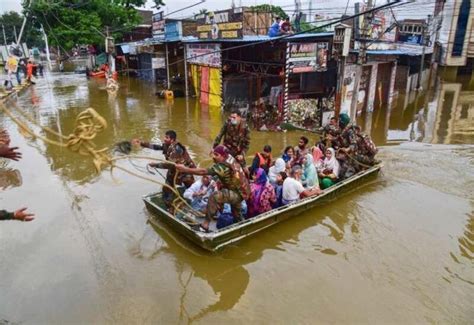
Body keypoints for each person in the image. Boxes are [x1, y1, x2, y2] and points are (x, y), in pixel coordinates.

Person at [176, 145, 250, 232]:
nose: (213, 157)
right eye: (213, 154)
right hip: (243, 191)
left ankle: (204, 226)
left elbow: (203, 171)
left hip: (237, 193)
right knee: (236, 213)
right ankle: (242, 226)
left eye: (216, 155)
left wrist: (185, 169)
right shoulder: (229, 157)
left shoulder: (222, 167)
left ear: (223, 156)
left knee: (214, 196)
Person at [133, 130, 196, 207]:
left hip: (185, 171)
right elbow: (156, 147)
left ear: (172, 139)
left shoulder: (176, 149)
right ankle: (170, 207)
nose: (164, 139)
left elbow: (169, 165)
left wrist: (155, 165)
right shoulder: (167, 145)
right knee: (166, 189)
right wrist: (141, 143)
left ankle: (195, 205)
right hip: (174, 171)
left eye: (167, 137)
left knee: (192, 189)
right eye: (165, 137)